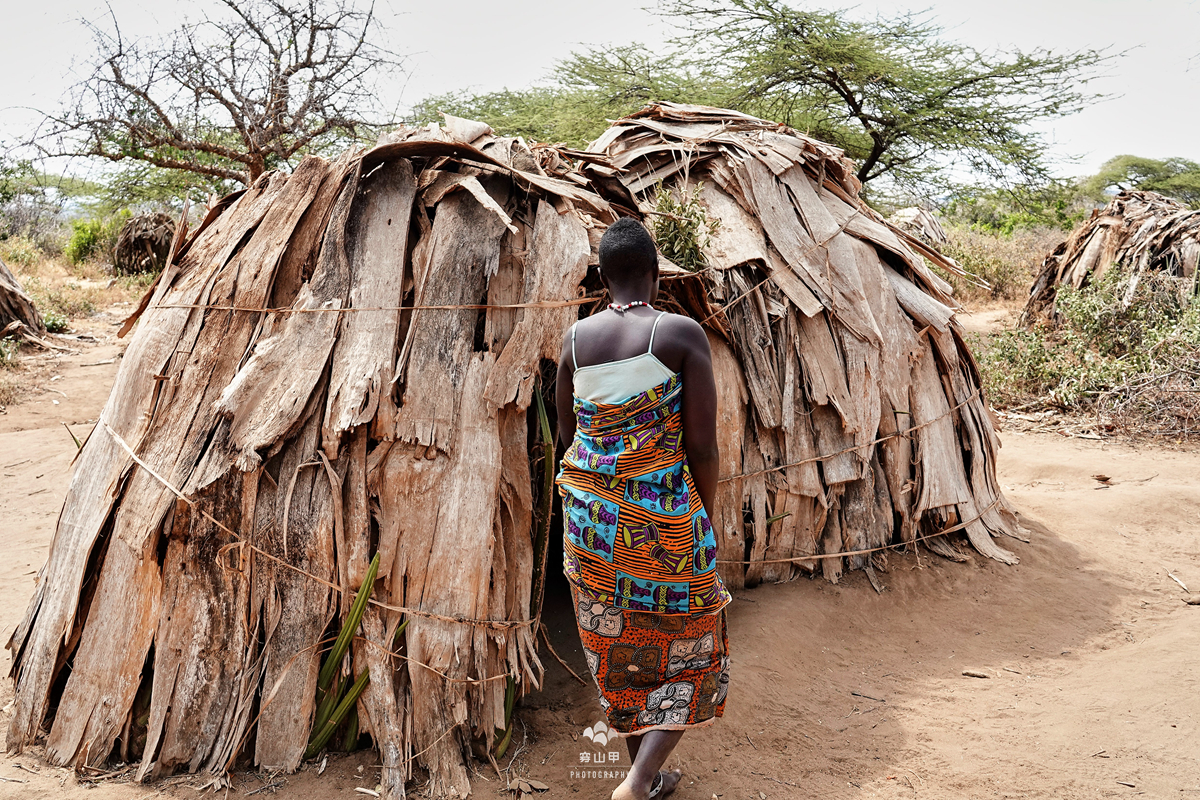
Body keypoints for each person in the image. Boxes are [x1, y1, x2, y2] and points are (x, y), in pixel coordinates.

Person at [555, 218, 732, 800]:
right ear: (655, 275)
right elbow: (701, 445)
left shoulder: (574, 342)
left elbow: (566, 439)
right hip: (665, 526)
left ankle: (648, 776)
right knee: (693, 647)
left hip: (587, 525)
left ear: (602, 278)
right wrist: (702, 515)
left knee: (621, 652)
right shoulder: (679, 334)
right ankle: (633, 783)